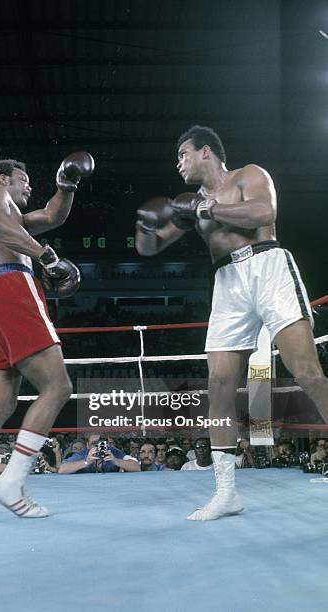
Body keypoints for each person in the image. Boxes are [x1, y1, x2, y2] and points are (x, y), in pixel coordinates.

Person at [136, 124, 328, 520]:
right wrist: (145, 227)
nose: (178, 164)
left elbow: (264, 212)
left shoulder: (248, 175)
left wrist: (207, 209)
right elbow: (150, 247)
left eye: (183, 154)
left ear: (205, 151)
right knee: (219, 383)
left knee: (307, 372)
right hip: (227, 282)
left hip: (268, 265)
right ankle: (226, 492)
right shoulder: (189, 203)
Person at [0, 152, 94, 519]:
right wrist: (47, 258)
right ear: (4, 179)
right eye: (24, 180)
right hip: (11, 286)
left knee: (1, 402)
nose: (30, 185)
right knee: (57, 387)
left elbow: (52, 215)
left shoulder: (15, 216)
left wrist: (66, 185)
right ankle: (12, 480)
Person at [58, 434, 139, 474]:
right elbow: (62, 469)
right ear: (87, 445)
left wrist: (115, 461)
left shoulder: (113, 451)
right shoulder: (83, 453)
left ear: (106, 444)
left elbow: (136, 467)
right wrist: (86, 462)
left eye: (101, 443)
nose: (98, 446)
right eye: (94, 443)